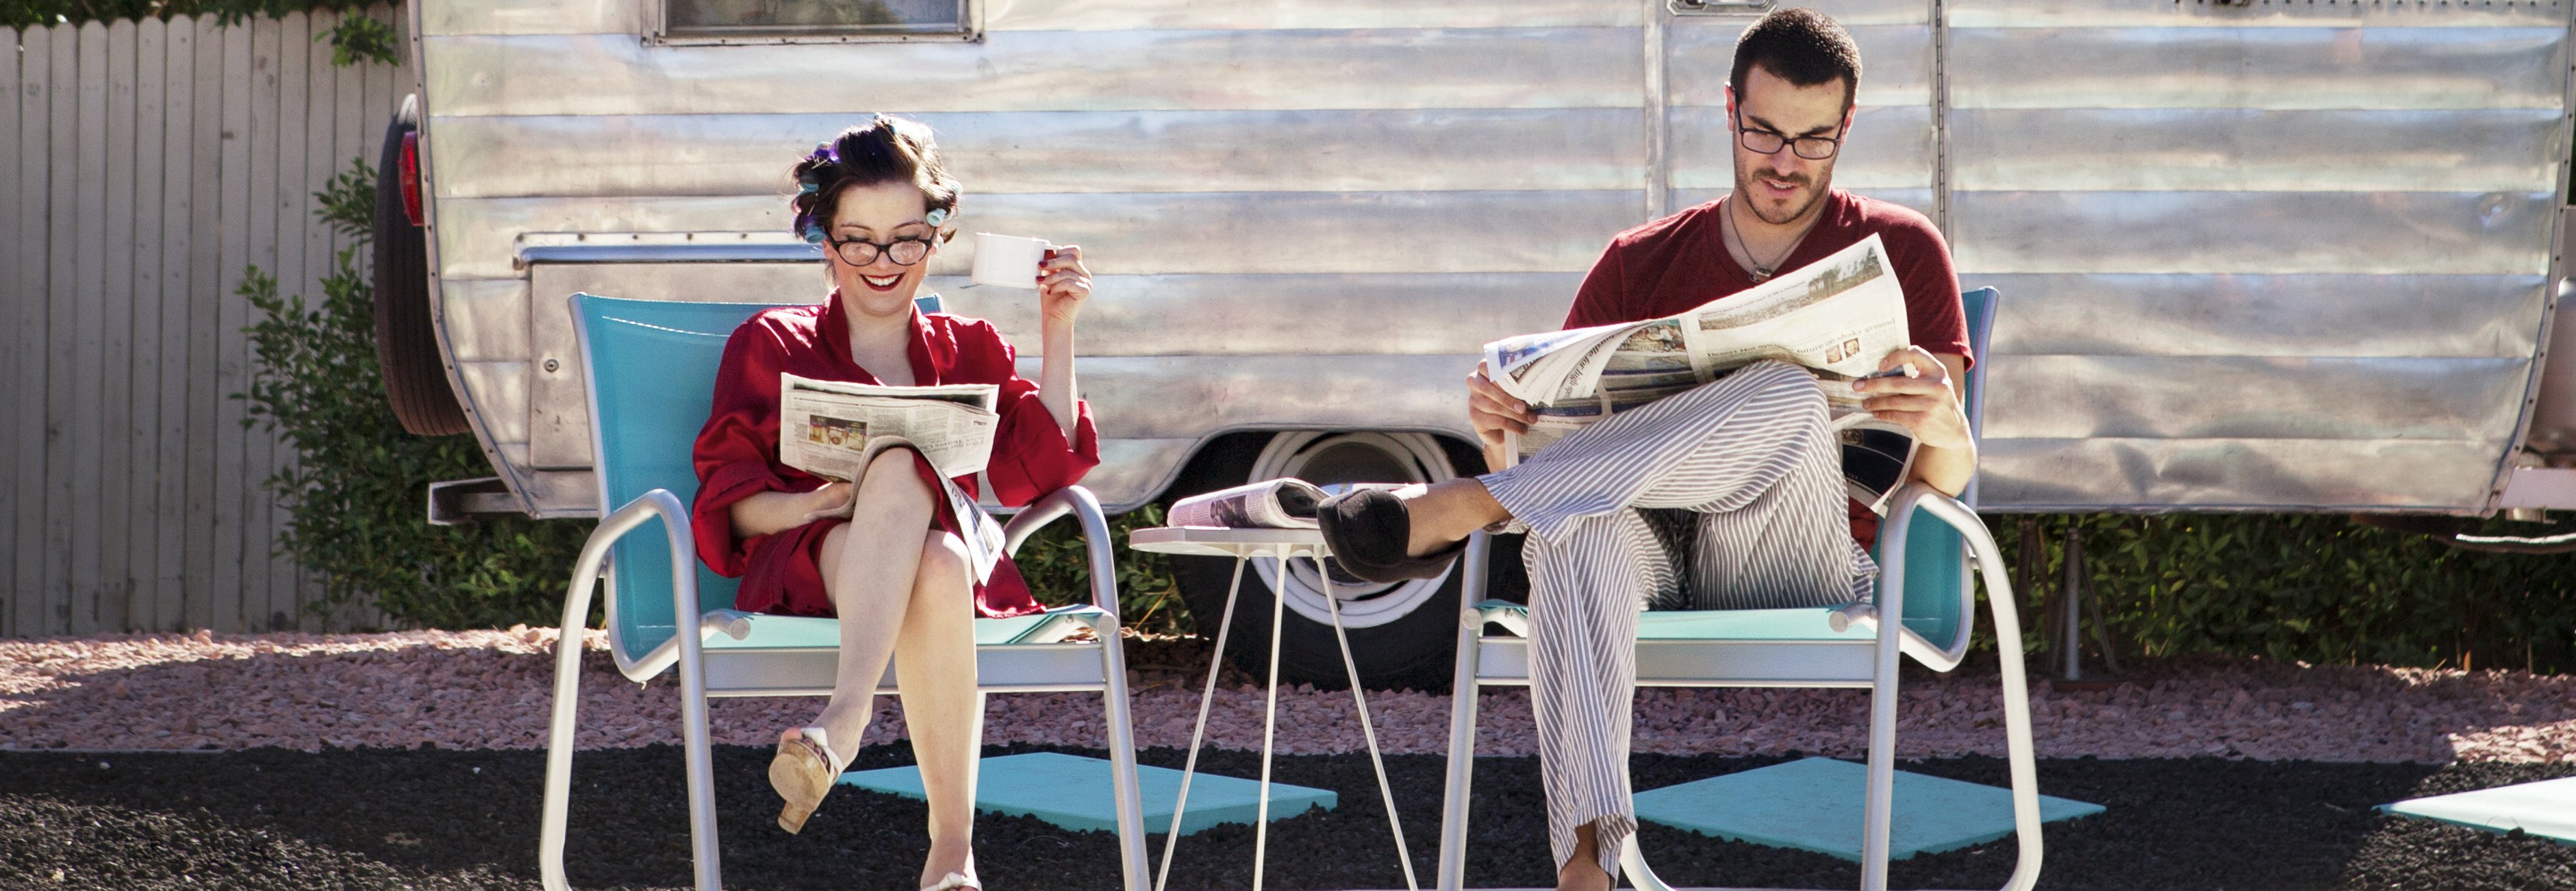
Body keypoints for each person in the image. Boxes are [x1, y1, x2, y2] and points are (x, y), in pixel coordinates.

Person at [1183, 10, 1971, 890]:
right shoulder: (1639, 262)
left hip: (1795, 556)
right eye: (1763, 132)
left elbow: (1938, 485)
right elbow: (1564, 461)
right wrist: (1506, 434)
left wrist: (1947, 427)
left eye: (1812, 139)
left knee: (1784, 395)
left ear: (1846, 126)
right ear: (1727, 112)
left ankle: (1462, 504)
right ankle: (1586, 861)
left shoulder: (1899, 252)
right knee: (1571, 529)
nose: (1784, 161)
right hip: (1647, 551)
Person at [686, 114, 1095, 891]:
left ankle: (912, 810)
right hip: (819, 561)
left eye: (905, 239)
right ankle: (910, 796)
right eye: (857, 240)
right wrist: (818, 505)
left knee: (937, 552)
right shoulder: (771, 342)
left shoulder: (972, 347)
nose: (881, 261)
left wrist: (1058, 331)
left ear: (936, 238)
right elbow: (728, 507)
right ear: (825, 239)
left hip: (939, 566)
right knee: (902, 470)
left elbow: (1033, 475)